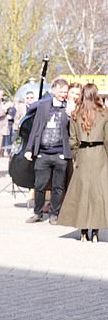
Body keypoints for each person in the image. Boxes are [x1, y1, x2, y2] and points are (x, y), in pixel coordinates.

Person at [58, 83, 108, 242]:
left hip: (83, 154)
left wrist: (76, 156)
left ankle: (83, 231)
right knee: (98, 194)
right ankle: (95, 232)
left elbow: (72, 140)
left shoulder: (75, 114)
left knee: (82, 193)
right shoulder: (104, 114)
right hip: (100, 154)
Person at [25, 77, 71, 224]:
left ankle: (54, 214)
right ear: (54, 90)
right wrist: (29, 149)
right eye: (60, 91)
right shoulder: (44, 106)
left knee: (58, 186)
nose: (63, 94)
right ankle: (37, 212)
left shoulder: (69, 108)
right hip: (43, 152)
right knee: (39, 185)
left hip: (60, 153)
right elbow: (36, 127)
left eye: (65, 92)